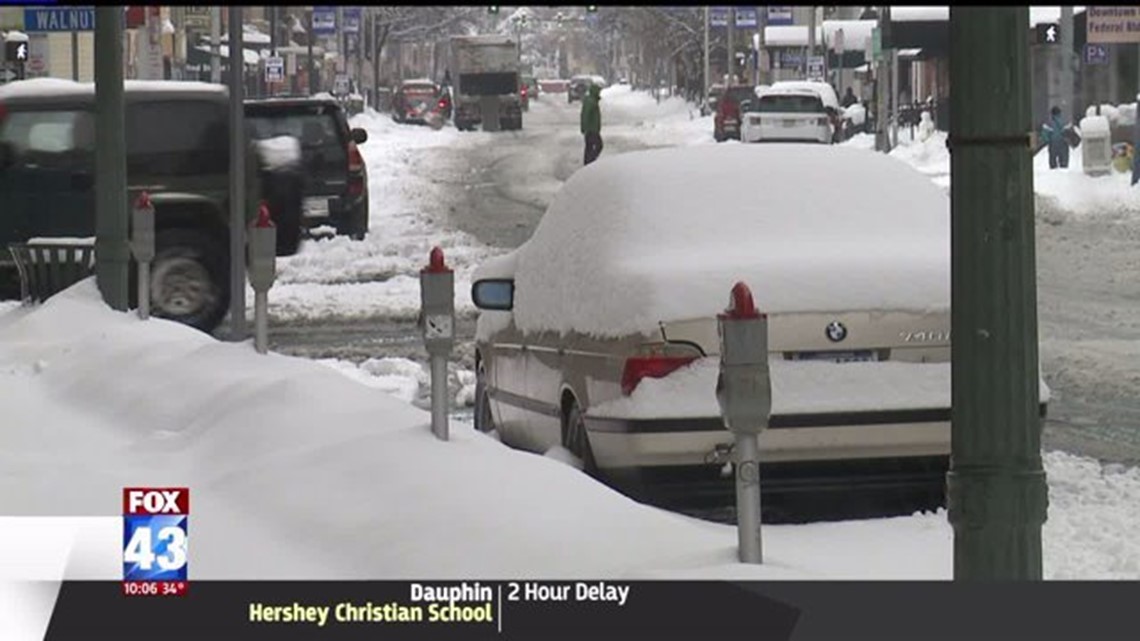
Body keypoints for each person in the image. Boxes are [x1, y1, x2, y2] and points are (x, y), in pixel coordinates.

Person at [581, 83, 603, 165]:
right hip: (592, 129)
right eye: (598, 91)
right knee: (599, 145)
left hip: (591, 129)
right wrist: (585, 127)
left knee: (589, 147)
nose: (599, 93)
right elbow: (585, 115)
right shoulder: (591, 102)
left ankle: (587, 163)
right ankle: (590, 162)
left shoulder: (591, 100)